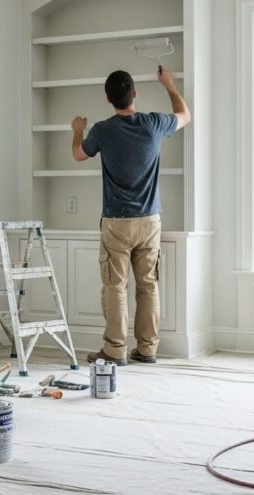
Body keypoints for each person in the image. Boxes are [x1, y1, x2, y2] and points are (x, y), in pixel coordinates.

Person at [71, 67, 191, 365]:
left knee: (115, 287)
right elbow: (185, 115)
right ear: (134, 94)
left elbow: (78, 154)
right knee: (148, 285)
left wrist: (77, 129)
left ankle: (115, 350)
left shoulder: (102, 130)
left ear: (108, 99)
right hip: (150, 220)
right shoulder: (153, 124)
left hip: (116, 222)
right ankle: (148, 349)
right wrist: (169, 85)